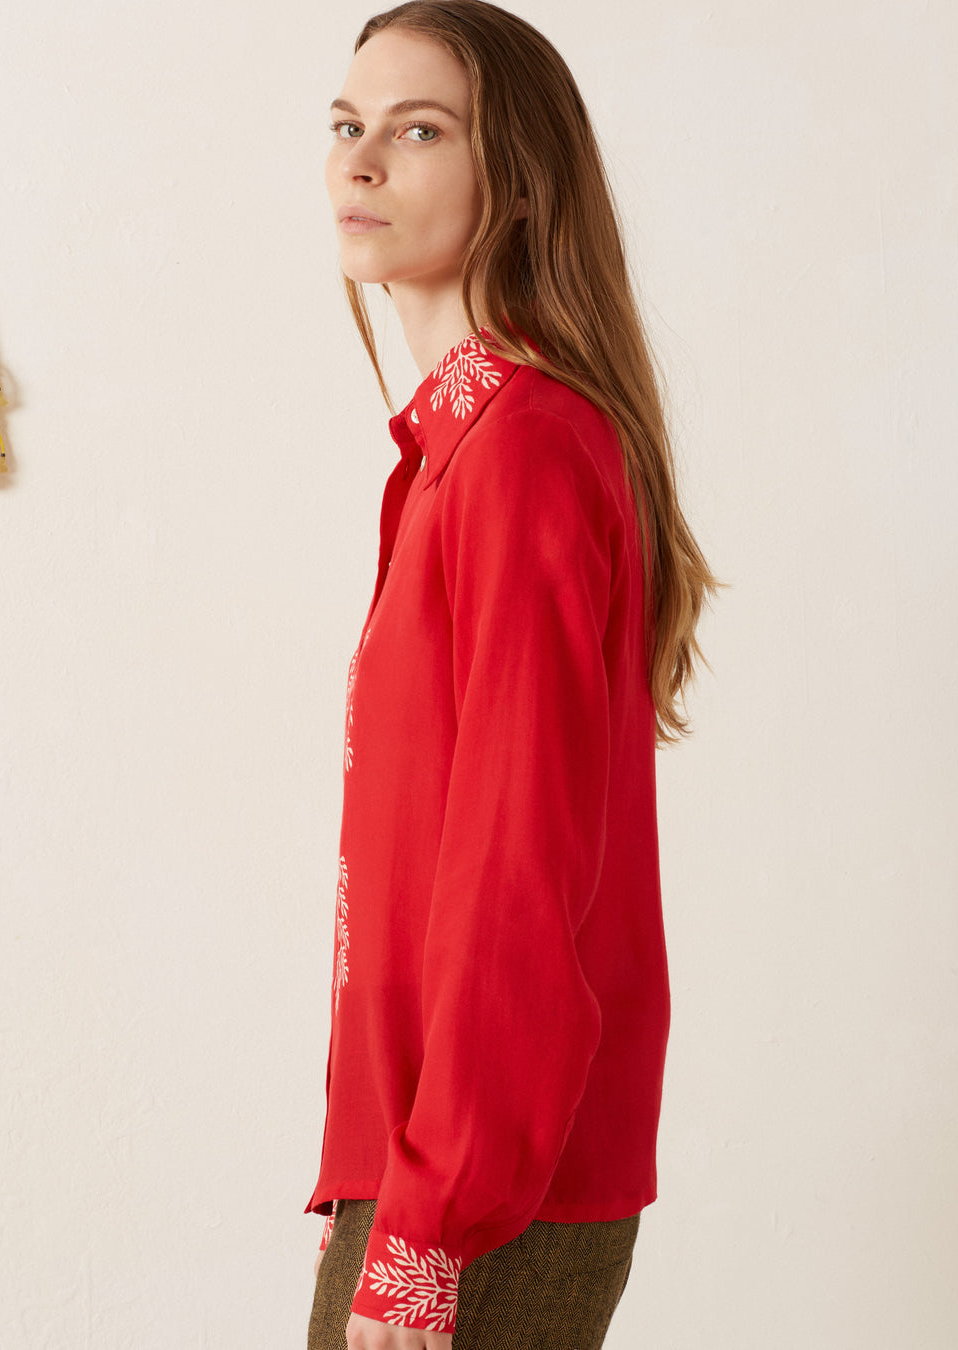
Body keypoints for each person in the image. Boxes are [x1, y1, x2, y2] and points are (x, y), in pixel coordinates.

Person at [304, 3, 718, 1347]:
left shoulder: (527, 452)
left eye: (416, 130)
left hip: (483, 1186)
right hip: (441, 1159)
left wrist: (424, 1225)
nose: (360, 162)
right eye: (346, 125)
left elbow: (513, 867)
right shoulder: (456, 456)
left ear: (519, 183)